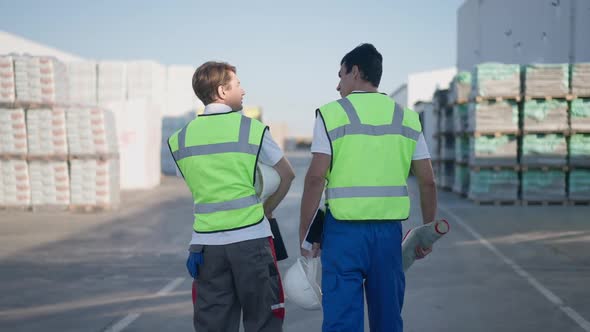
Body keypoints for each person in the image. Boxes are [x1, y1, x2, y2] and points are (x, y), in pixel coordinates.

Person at [298, 44, 438, 332]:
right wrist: (427, 233)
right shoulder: (407, 118)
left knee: (341, 321)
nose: (338, 85)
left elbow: (315, 179)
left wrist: (305, 233)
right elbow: (427, 180)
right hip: (387, 236)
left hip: (343, 234)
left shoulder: (330, 114)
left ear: (356, 72)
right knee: (388, 319)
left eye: (341, 75)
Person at [169, 61, 295, 332]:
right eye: (238, 85)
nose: (244, 90)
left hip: (205, 248)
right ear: (222, 91)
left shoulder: (179, 139)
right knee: (263, 322)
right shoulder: (252, 130)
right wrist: (267, 209)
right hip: (251, 242)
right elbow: (287, 175)